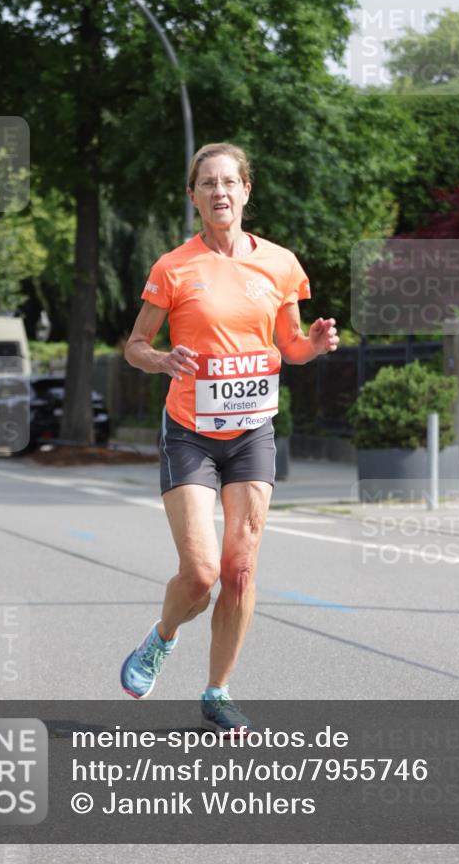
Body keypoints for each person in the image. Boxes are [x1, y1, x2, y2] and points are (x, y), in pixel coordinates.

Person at [120, 142, 339, 732]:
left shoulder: (280, 264)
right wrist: (163, 360)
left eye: (229, 182)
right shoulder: (173, 267)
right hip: (190, 431)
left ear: (246, 191)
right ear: (193, 197)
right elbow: (134, 346)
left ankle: (217, 689)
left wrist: (311, 347)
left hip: (252, 432)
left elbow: (288, 347)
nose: (219, 192)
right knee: (201, 575)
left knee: (240, 572)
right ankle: (162, 637)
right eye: (207, 183)